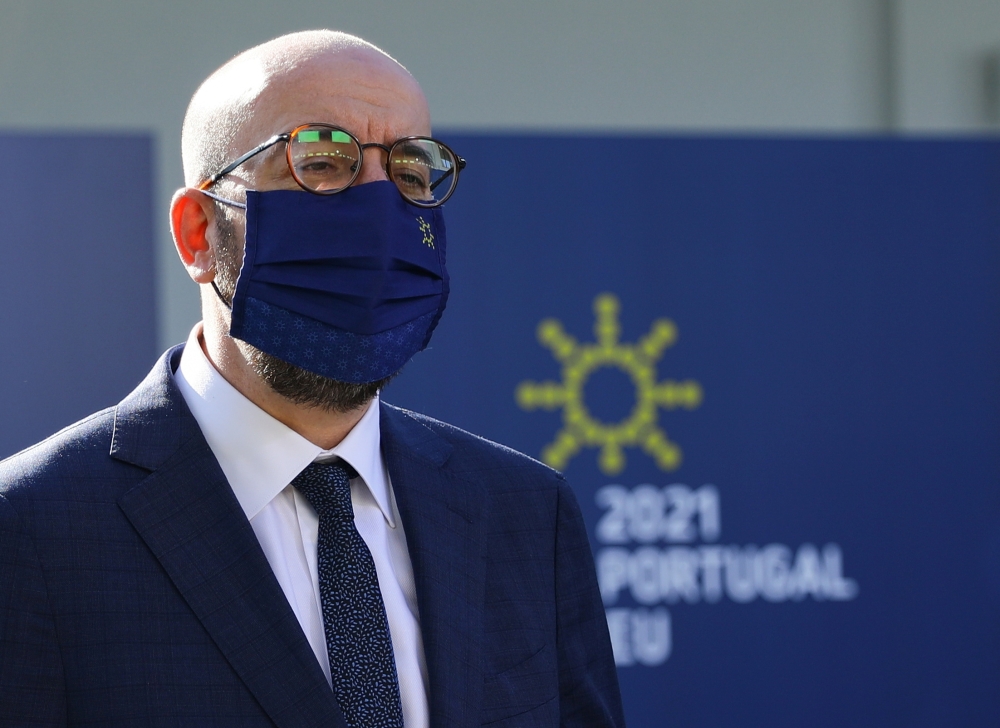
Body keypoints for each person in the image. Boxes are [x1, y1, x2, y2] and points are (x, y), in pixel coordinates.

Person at [0, 30, 624, 728]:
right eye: (321, 162)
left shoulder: (527, 514)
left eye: (412, 173)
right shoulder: (31, 529)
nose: (380, 214)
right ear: (198, 232)